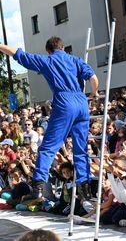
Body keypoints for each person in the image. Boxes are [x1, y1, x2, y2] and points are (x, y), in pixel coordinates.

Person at [0, 36, 99, 200]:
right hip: (82, 103)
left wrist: (1, 45)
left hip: (64, 102)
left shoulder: (48, 61)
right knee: (80, 148)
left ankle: (38, 185)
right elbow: (93, 78)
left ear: (49, 50)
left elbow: (19, 54)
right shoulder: (76, 60)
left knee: (48, 147)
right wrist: (94, 94)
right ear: (63, 47)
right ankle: (84, 186)